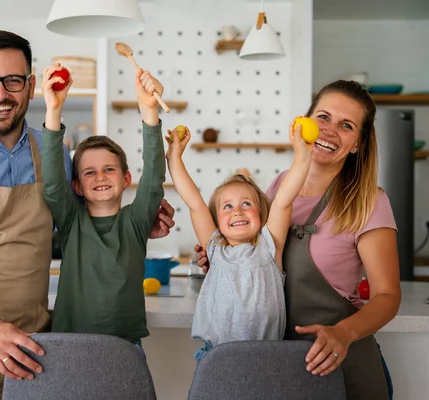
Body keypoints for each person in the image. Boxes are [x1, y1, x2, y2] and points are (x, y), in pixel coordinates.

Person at [0, 30, 175, 400]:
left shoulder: (55, 155)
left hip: (34, 355)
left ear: (31, 86)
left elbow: (87, 228)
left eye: (13, 81)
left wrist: (140, 227)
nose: (0, 94)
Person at [195, 80, 401, 400]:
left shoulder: (369, 202)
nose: (329, 131)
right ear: (303, 122)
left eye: (346, 125)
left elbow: (388, 296)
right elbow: (257, 255)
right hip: (279, 365)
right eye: (323, 117)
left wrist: (344, 334)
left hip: (343, 363)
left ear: (359, 143)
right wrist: (223, 259)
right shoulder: (278, 187)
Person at [40, 63, 166, 348]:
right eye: (89, 172)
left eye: (109, 169)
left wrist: (149, 110)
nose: (99, 177)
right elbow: (51, 184)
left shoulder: (135, 222)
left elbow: (155, 176)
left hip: (126, 346)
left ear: (126, 178)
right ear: (76, 186)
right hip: (69, 344)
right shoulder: (71, 222)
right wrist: (53, 110)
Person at [165, 122, 312, 360]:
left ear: (262, 212)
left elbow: (284, 199)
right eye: (228, 206)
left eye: (246, 204)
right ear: (216, 219)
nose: (238, 211)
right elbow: (194, 203)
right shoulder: (214, 247)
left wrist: (303, 155)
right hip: (216, 357)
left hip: (266, 358)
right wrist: (174, 158)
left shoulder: (269, 246)